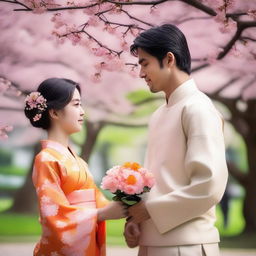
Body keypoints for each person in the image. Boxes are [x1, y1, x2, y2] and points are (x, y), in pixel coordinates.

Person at [124, 24, 228, 256]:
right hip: (155, 243)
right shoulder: (160, 114)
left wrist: (148, 210)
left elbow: (208, 185)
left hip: (186, 246)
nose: (141, 74)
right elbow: (159, 181)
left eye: (145, 63)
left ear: (169, 59)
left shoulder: (198, 109)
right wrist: (137, 220)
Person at [24, 78, 127, 256]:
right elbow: (54, 215)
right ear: (55, 112)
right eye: (76, 104)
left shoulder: (77, 160)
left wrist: (128, 202)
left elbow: (97, 200)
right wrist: (100, 214)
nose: (82, 112)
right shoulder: (46, 159)